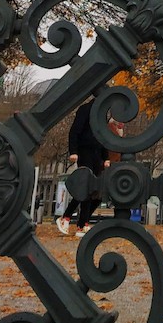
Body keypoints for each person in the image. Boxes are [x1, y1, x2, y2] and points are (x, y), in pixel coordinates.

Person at [56, 99, 109, 237]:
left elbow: (103, 137)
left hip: (97, 154)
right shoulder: (85, 109)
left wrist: (106, 157)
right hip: (85, 151)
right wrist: (73, 151)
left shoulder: (102, 114)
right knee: (86, 186)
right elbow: (74, 132)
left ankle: (78, 222)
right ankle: (73, 221)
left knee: (94, 190)